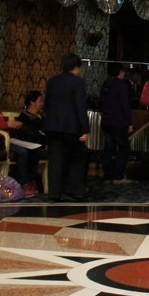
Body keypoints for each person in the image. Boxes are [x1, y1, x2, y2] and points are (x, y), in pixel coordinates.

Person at [43, 53, 90, 202]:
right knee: (79, 156)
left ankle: (54, 193)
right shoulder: (77, 82)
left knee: (55, 159)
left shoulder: (52, 81)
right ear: (76, 67)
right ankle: (73, 189)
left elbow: (46, 105)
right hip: (70, 127)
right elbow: (80, 107)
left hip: (52, 125)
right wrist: (85, 129)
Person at [99, 65, 133, 185]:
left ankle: (108, 176)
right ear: (121, 72)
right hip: (118, 121)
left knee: (109, 149)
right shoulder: (121, 85)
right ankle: (118, 176)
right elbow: (125, 105)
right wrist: (129, 122)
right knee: (124, 149)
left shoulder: (106, 84)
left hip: (106, 121)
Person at [11, 90, 46, 198]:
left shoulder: (42, 116)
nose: (42, 103)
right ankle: (26, 183)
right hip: (26, 143)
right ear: (32, 102)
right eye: (40, 101)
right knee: (27, 152)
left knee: (35, 151)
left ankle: (32, 181)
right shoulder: (24, 117)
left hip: (39, 144)